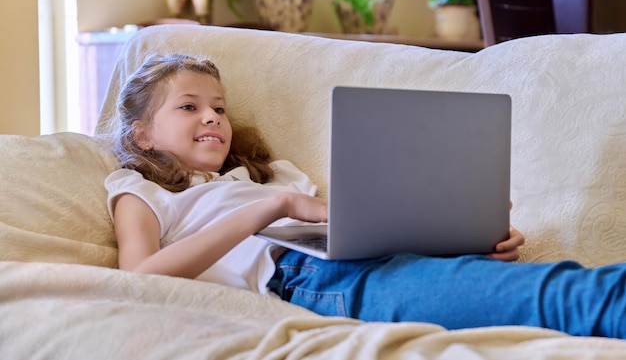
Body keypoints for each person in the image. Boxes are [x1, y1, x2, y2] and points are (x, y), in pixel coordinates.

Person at [106, 53, 625, 339]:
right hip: (310, 280)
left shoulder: (274, 175)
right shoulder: (141, 189)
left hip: (368, 254)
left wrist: (460, 236)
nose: (212, 117)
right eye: (189, 107)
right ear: (142, 135)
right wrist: (274, 208)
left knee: (553, 286)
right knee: (569, 297)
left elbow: (362, 226)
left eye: (218, 107)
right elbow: (139, 279)